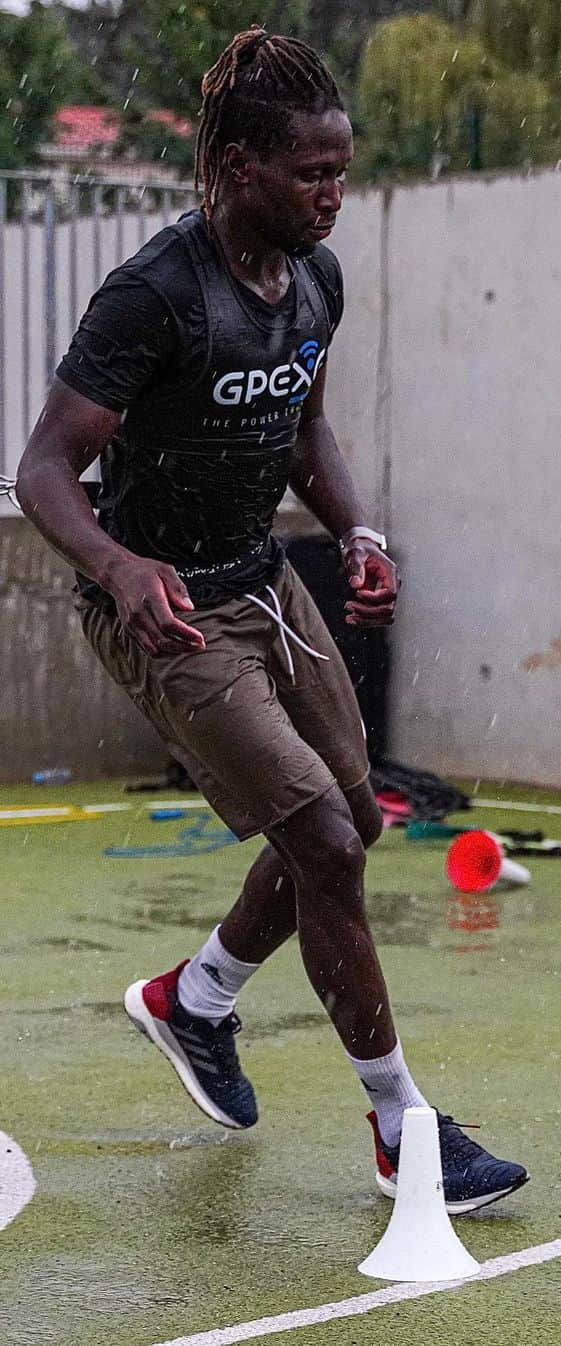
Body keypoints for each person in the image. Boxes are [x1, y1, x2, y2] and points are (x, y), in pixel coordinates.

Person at [16, 26, 527, 1215]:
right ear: (242, 166)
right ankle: (405, 1130)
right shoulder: (154, 294)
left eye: (343, 172)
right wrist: (120, 564)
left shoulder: (312, 279)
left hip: (267, 583)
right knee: (329, 847)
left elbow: (305, 427)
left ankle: (193, 1001)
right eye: (313, 174)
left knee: (354, 819)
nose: (334, 196)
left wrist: (356, 530)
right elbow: (42, 469)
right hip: (171, 617)